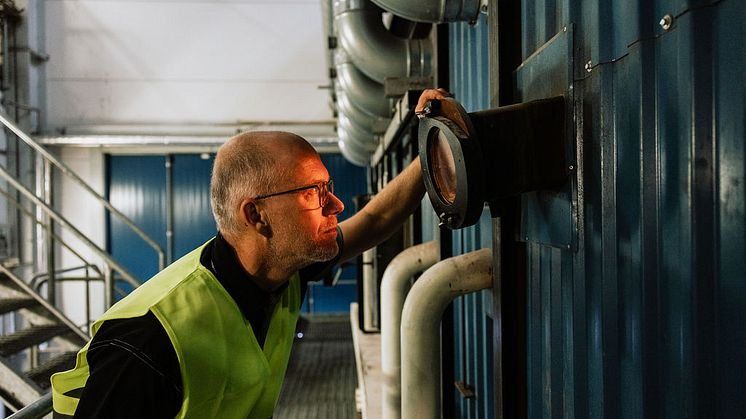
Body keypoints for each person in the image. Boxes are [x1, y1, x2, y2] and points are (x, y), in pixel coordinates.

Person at [50, 88, 451, 418]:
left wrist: (432, 142)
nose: (336, 206)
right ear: (257, 215)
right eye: (314, 193)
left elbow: (378, 219)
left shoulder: (284, 268)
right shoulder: (148, 343)